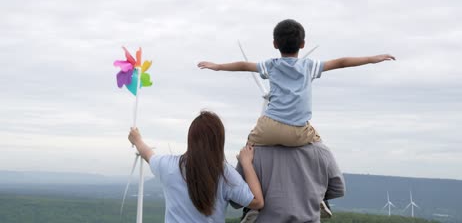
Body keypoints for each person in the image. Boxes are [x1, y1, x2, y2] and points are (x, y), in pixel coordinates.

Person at [198, 18, 395, 220]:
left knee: (249, 146)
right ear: (303, 44)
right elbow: (342, 62)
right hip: (299, 130)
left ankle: (253, 204)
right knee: (319, 146)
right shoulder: (309, 66)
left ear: (275, 44)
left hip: (269, 127)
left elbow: (244, 65)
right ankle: (319, 199)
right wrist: (372, 58)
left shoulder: (271, 65)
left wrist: (219, 66)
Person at [128, 110, 264, 223]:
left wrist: (137, 139)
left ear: (190, 139)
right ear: (219, 141)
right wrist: (246, 164)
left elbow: (148, 154)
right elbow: (257, 202)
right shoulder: (224, 173)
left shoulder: (168, 166)